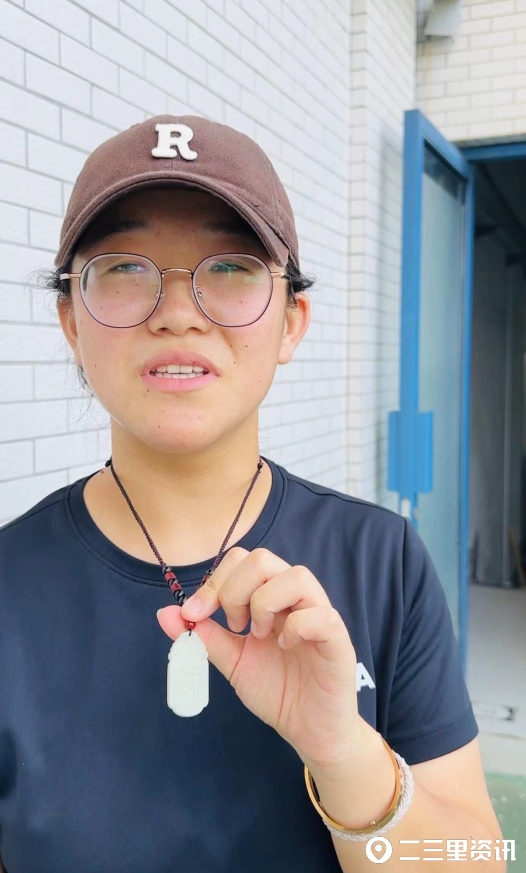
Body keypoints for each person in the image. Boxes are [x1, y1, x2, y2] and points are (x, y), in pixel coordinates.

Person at [0, 115, 503, 873]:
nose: (177, 312)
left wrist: (343, 751)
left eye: (231, 268)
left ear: (292, 322)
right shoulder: (10, 584)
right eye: (125, 267)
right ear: (71, 319)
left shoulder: (383, 562)